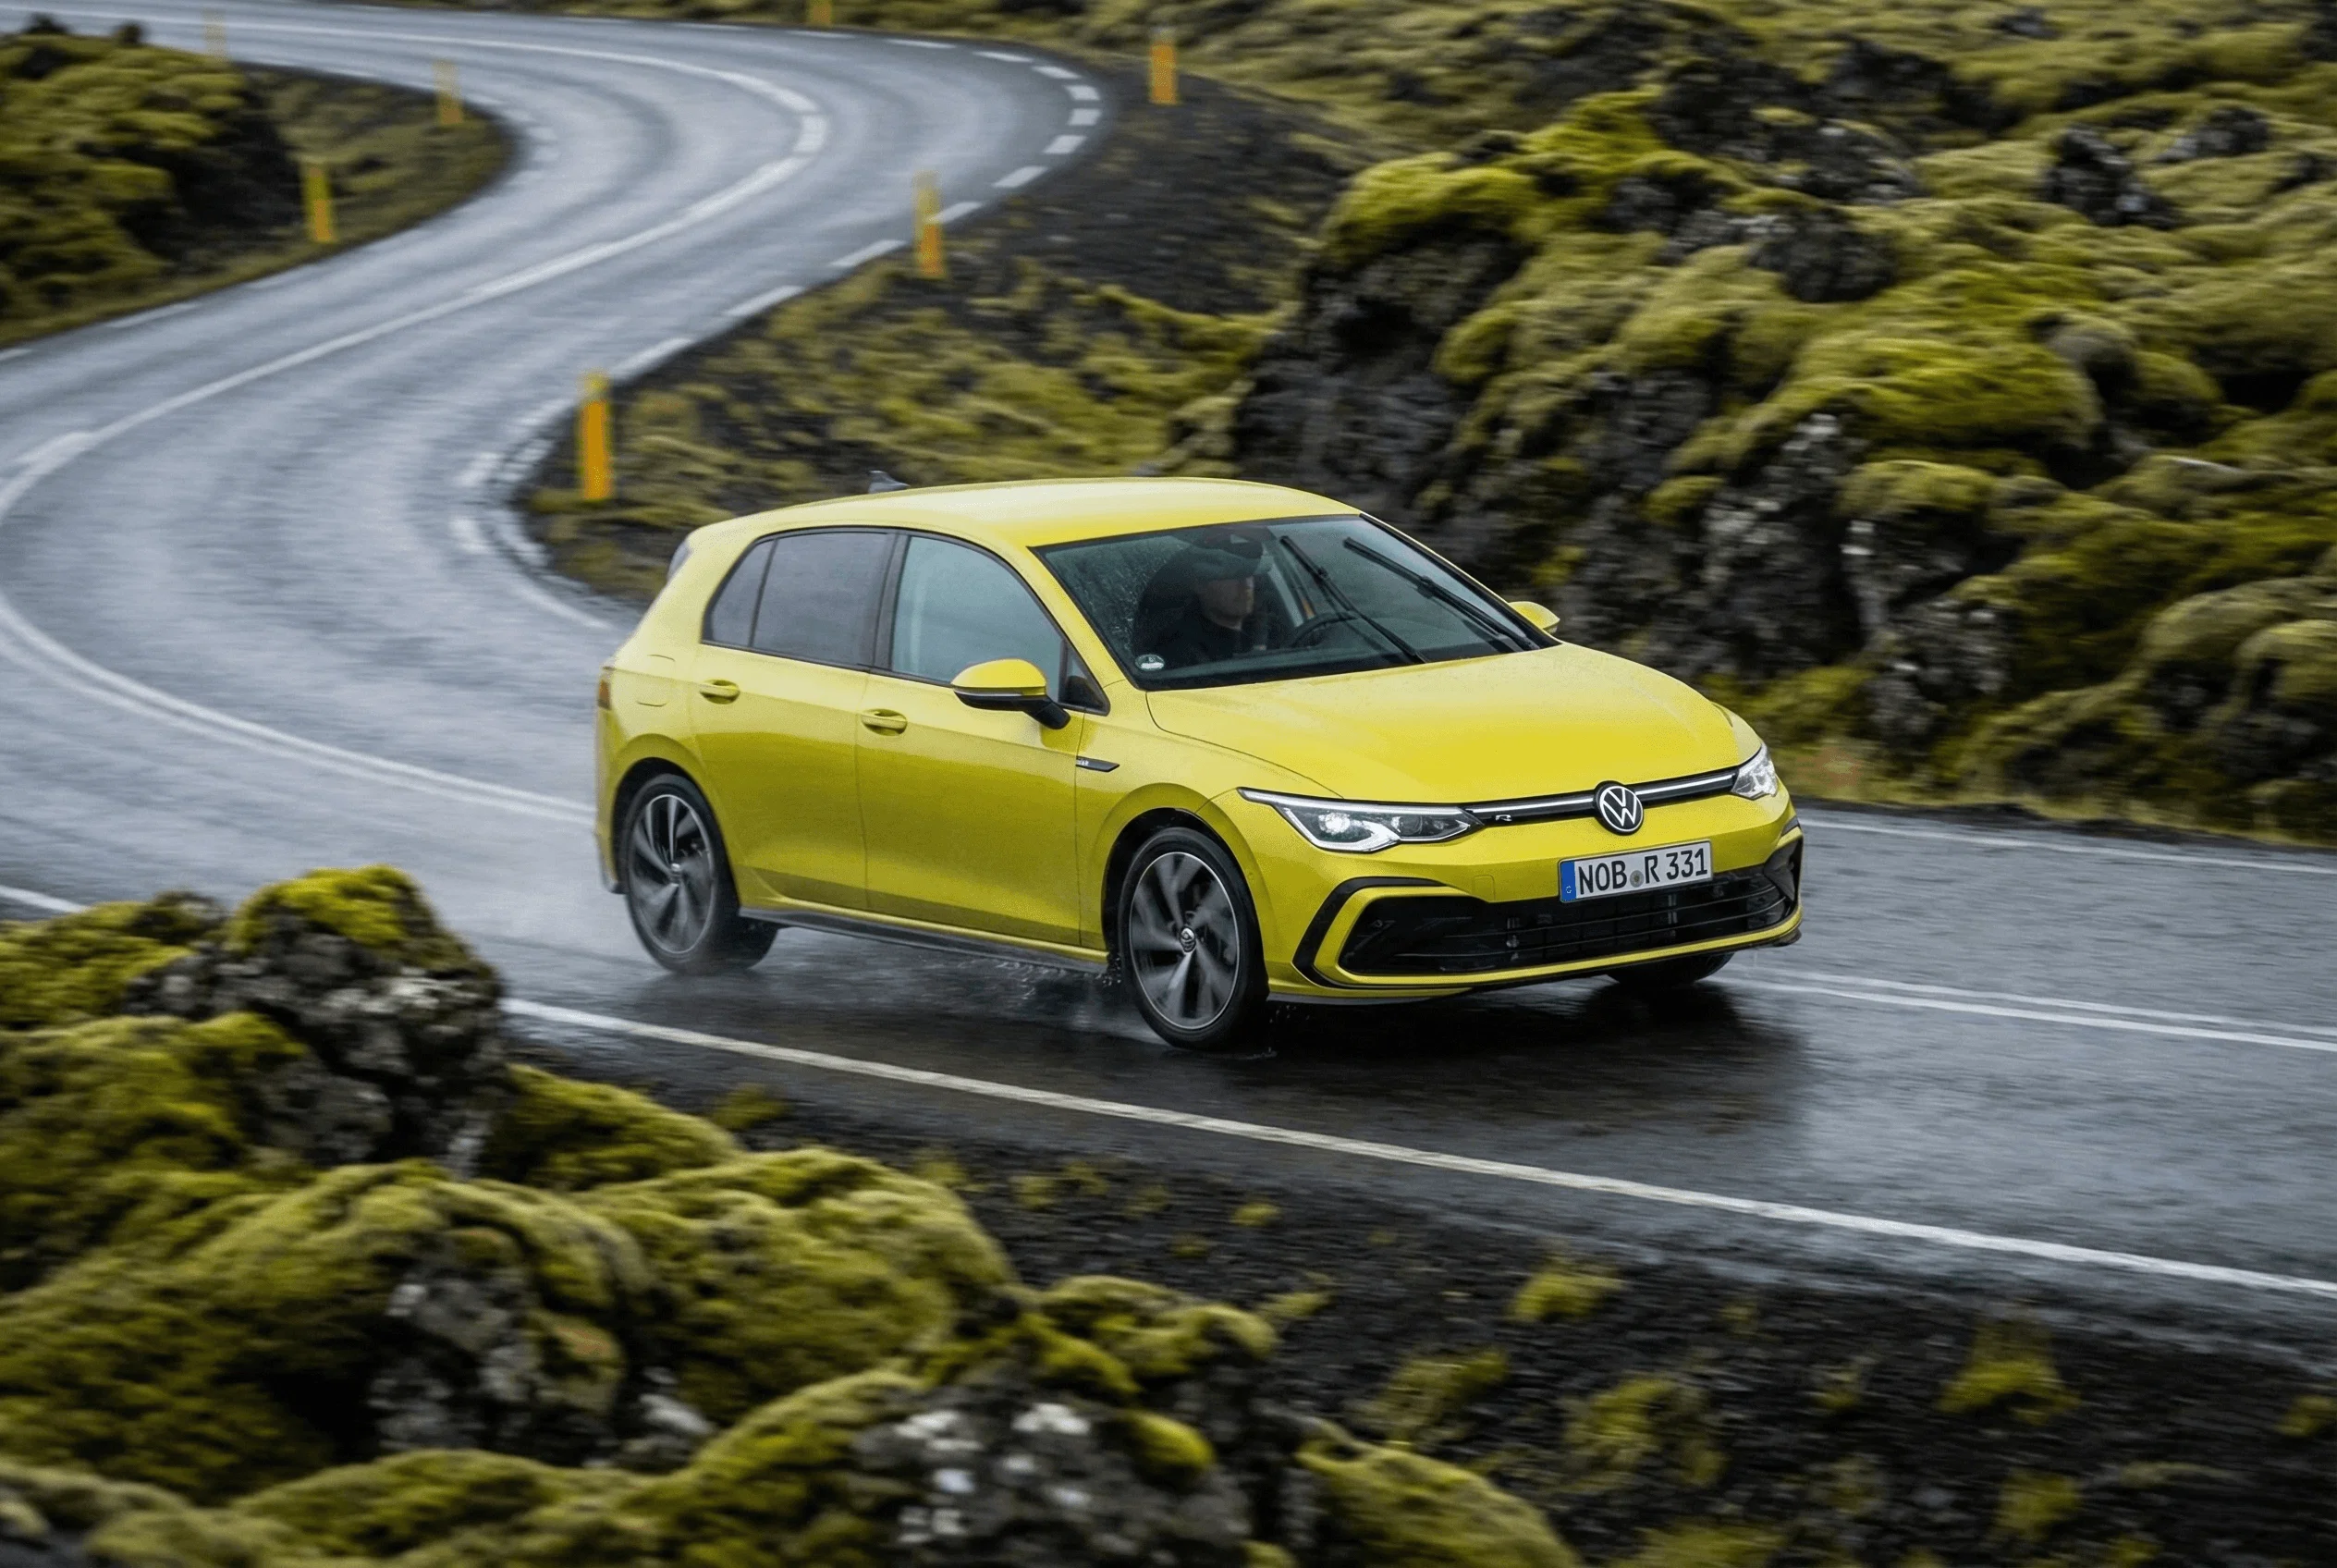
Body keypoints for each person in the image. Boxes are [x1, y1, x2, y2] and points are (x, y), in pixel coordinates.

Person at [1141, 531, 1269, 669]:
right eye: (1231, 576)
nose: (1246, 585)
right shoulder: (1179, 652)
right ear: (1199, 585)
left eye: (1250, 574)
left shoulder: (1276, 632)